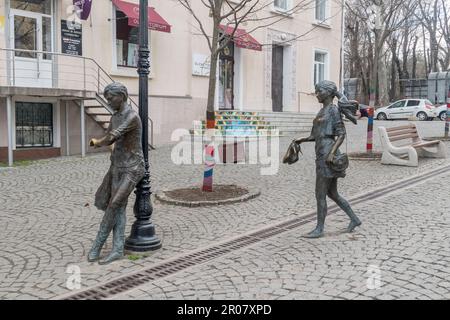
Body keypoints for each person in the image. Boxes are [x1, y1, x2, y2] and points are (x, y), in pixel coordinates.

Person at [294, 80, 361, 238]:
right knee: (333, 194)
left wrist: (331, 153)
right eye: (316, 91)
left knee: (320, 193)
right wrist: (300, 140)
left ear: (328, 93)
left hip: (327, 156)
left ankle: (319, 228)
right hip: (321, 153)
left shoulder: (333, 110)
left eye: (319, 91)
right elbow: (315, 136)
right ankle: (354, 219)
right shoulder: (321, 111)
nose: (317, 94)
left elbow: (341, 134)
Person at [87, 82, 145, 264]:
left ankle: (97, 245)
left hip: (133, 168)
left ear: (122, 95)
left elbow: (112, 136)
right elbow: (112, 136)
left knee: (114, 204)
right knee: (118, 207)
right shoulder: (115, 116)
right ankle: (118, 249)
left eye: (111, 98)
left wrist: (96, 142)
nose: (109, 101)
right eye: (107, 99)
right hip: (117, 167)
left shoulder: (132, 117)